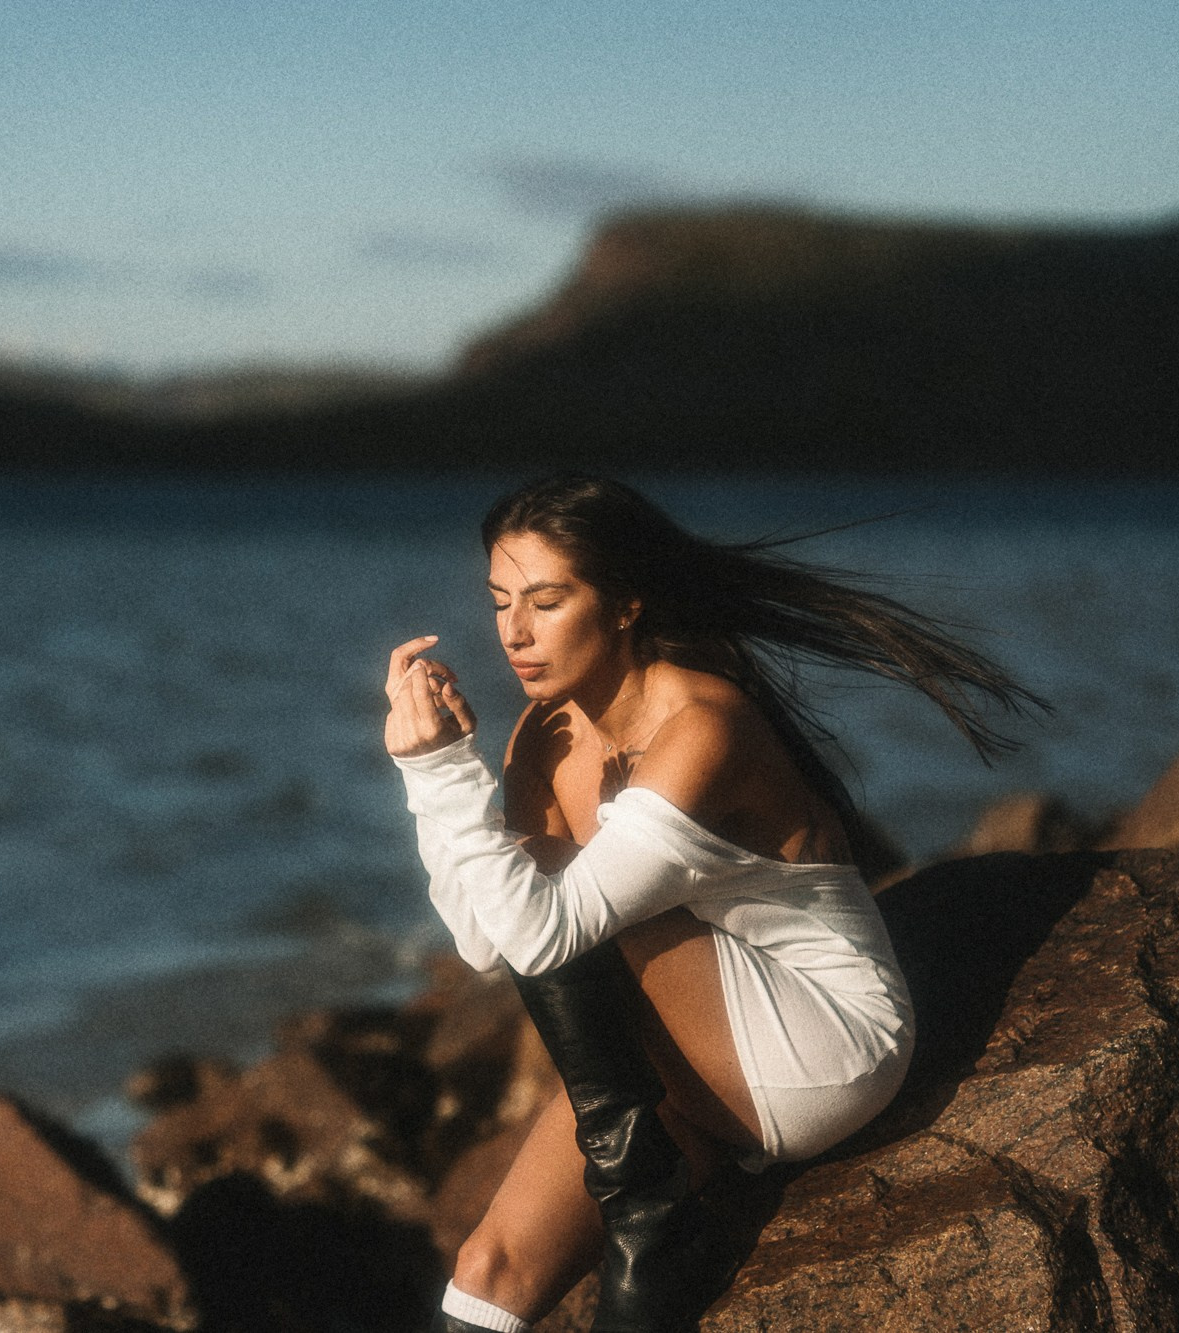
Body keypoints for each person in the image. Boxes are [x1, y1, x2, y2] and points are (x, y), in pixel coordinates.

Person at [382, 475, 1045, 1333]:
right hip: (681, 1062)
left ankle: (648, 1207)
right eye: (501, 600)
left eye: (546, 600)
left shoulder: (702, 724)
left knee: (593, 917)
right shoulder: (543, 735)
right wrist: (440, 774)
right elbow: (483, 938)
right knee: (487, 1269)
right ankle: (648, 1196)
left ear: (625, 604)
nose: (513, 631)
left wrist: (439, 777)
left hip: (822, 1042)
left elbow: (542, 936)